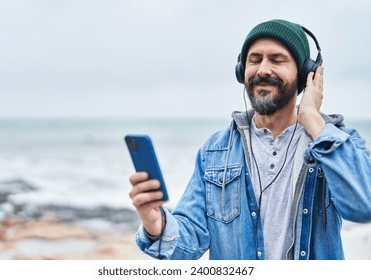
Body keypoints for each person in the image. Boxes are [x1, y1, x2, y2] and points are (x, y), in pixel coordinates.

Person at [128, 19, 371, 260]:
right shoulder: (215, 151)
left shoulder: (334, 142)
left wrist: (312, 118)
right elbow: (188, 244)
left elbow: (364, 204)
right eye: (254, 60)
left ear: (306, 74)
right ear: (241, 71)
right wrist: (155, 224)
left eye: (277, 60)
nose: (262, 70)